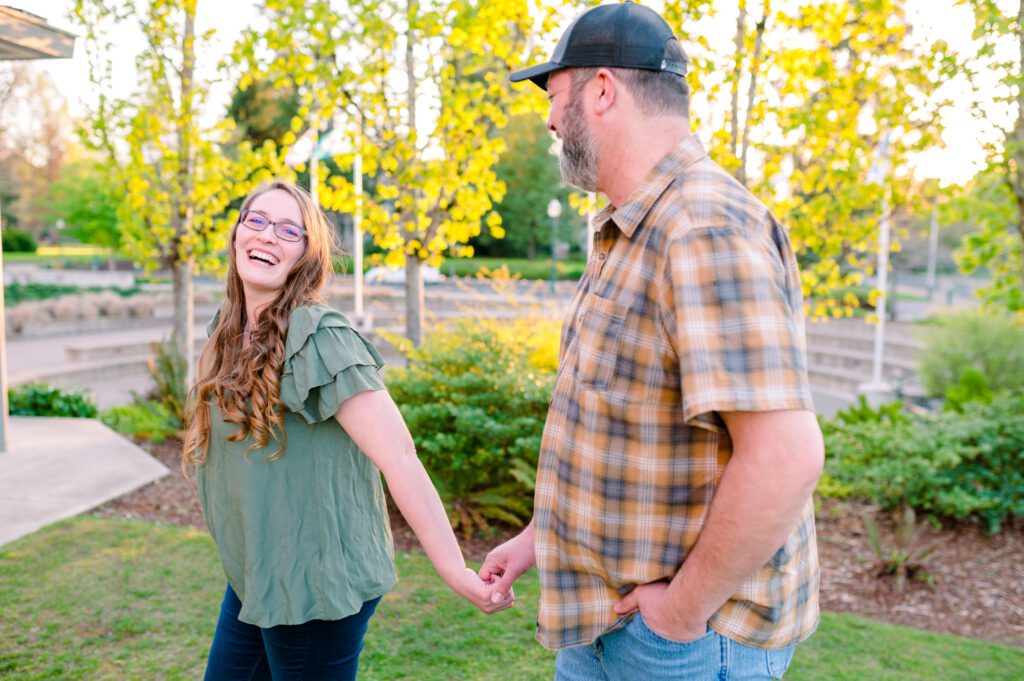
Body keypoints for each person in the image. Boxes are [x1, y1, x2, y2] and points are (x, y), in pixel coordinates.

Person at [479, 3, 825, 680]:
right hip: (609, 621)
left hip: (682, 641)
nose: (549, 121)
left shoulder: (702, 227)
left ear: (602, 90)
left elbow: (786, 456)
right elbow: (625, 435)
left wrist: (681, 611)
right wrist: (539, 540)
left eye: (555, 97)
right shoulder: (629, 227)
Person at [183, 180, 512, 680]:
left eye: (288, 230)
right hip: (261, 574)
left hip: (316, 588)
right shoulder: (226, 331)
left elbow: (399, 455)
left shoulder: (321, 337)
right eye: (257, 220)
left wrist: (455, 571)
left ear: (306, 257)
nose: (268, 236)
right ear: (236, 234)